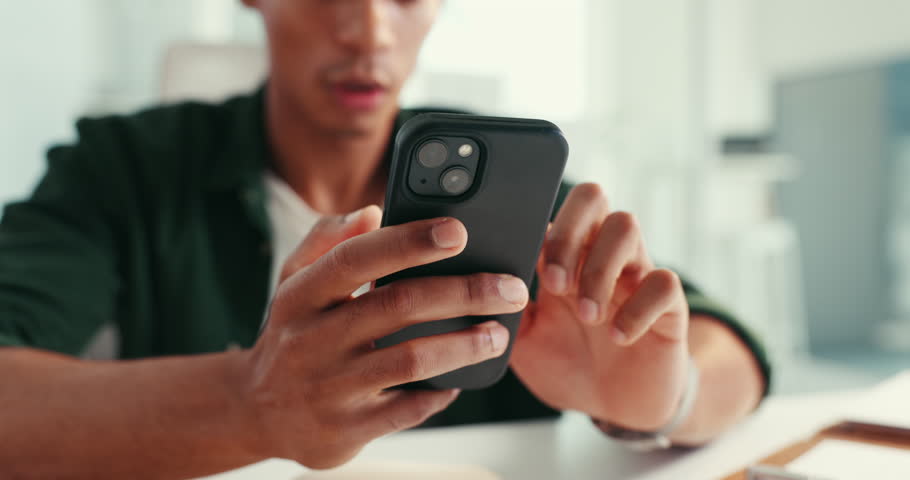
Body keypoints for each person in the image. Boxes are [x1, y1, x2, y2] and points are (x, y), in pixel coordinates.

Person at [0, 0, 769, 478]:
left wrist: (666, 399)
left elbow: (726, 347)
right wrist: (249, 404)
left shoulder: (512, 189)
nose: (368, 29)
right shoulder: (125, 169)